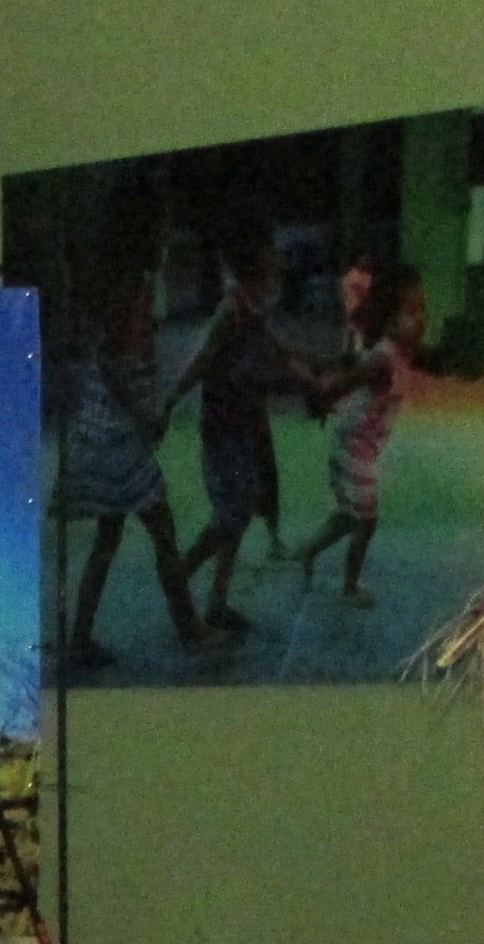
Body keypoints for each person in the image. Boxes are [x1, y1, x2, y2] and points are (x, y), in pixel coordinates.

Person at [57, 274, 208, 668]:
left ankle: (80, 639)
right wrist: (155, 419)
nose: (149, 313)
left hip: (106, 452)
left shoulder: (120, 347)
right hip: (119, 454)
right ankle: (190, 628)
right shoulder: (120, 353)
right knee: (162, 534)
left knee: (110, 540)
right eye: (142, 306)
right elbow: (137, 405)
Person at [167, 229, 313, 634]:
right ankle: (180, 573)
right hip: (224, 426)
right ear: (252, 267)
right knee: (234, 513)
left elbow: (277, 351)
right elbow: (203, 359)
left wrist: (314, 372)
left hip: (245, 422)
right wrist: (171, 399)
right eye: (269, 261)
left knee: (238, 513)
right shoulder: (230, 311)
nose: (276, 268)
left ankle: (216, 603)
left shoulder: (252, 310)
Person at [296, 264, 426, 607]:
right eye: (411, 311)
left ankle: (309, 550)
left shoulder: (399, 353)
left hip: (361, 446)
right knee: (366, 520)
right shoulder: (383, 358)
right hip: (352, 446)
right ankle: (349, 587)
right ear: (389, 319)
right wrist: (320, 398)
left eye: (422, 310)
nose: (421, 320)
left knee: (349, 515)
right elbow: (344, 384)